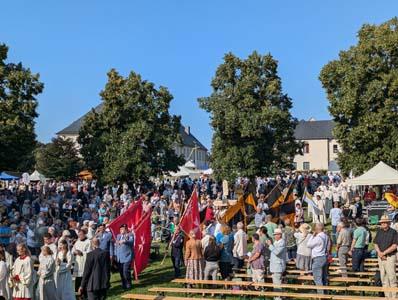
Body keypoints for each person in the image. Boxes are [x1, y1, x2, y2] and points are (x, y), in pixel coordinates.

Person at [373, 215, 398, 299]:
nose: (383, 223)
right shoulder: (379, 231)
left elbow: (394, 246)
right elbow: (375, 243)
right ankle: (387, 296)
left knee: (392, 278)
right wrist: (379, 253)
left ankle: (394, 297)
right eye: (382, 222)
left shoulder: (393, 232)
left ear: (388, 223)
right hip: (380, 257)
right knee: (383, 278)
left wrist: (384, 253)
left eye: (385, 222)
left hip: (390, 257)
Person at [307, 223, 328, 292]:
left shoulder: (318, 238)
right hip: (324, 257)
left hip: (318, 258)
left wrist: (312, 235)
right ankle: (326, 294)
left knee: (318, 279)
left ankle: (321, 295)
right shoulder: (325, 236)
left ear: (317, 229)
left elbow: (309, 244)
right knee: (324, 278)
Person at [266, 228, 286, 300]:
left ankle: (278, 298)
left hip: (278, 267)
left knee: (277, 284)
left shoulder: (282, 242)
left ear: (279, 235)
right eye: (274, 235)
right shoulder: (277, 242)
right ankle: (278, 297)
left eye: (275, 235)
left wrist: (270, 245)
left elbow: (277, 252)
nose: (274, 236)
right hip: (275, 266)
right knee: (276, 284)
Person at [72, 229, 92, 297]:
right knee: (78, 278)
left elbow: (90, 253)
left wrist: (81, 253)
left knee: (85, 277)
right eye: (78, 235)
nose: (79, 236)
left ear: (84, 234)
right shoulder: (77, 242)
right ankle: (79, 294)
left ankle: (86, 293)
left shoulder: (88, 242)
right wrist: (74, 253)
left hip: (85, 263)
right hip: (78, 263)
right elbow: (73, 251)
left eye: (80, 235)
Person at [114, 224, 134, 290]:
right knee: (121, 272)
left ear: (126, 229)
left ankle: (128, 284)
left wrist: (125, 241)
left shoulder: (130, 235)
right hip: (119, 257)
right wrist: (115, 254)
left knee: (125, 271)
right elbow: (116, 245)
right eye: (121, 229)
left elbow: (131, 242)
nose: (121, 230)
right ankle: (124, 284)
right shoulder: (118, 236)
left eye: (123, 229)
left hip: (127, 256)